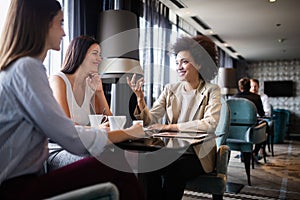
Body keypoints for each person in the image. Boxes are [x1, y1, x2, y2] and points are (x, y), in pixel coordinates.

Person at [0, 1, 145, 199]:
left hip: (24, 182)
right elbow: (72, 139)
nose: (64, 33)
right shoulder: (27, 69)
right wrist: (128, 132)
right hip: (16, 189)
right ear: (43, 24)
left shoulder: (19, 68)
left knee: (116, 166)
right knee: (115, 165)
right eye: (60, 23)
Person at [127, 35, 221, 200]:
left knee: (174, 170)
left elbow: (210, 124)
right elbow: (151, 120)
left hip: (197, 155)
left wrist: (171, 127)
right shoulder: (170, 89)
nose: (179, 67)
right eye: (177, 63)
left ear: (199, 63)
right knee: (147, 164)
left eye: (185, 62)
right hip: (171, 150)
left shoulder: (212, 90)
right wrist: (141, 99)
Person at [47, 35, 113, 170]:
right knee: (101, 162)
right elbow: (66, 125)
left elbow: (110, 122)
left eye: (100, 55)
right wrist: (96, 130)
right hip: (59, 149)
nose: (99, 59)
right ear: (80, 54)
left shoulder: (90, 85)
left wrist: (99, 92)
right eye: (95, 54)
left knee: (118, 156)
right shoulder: (58, 80)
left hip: (83, 146)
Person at [234, 77, 265, 163]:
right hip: (251, 129)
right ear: (249, 86)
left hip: (235, 131)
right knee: (264, 128)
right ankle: (254, 153)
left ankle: (243, 153)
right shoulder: (256, 97)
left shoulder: (233, 98)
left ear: (240, 88)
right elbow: (262, 113)